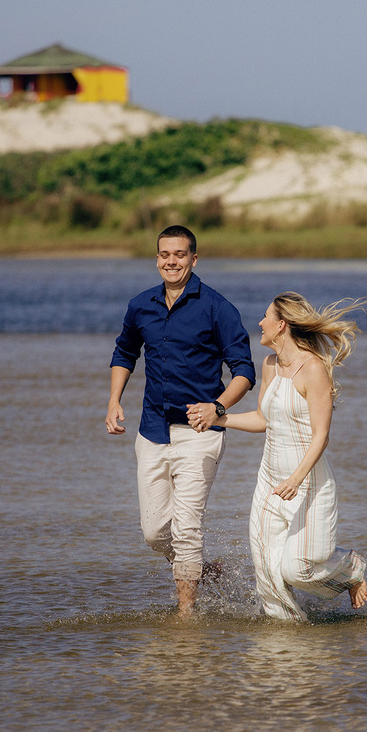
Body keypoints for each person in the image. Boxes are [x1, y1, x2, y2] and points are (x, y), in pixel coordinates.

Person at [188, 291, 367, 621]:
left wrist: (296, 479)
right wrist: (219, 417)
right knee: (269, 579)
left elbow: (321, 436)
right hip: (269, 485)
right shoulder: (270, 364)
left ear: (282, 325)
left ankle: (349, 569)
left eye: (266, 317)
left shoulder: (314, 369)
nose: (260, 323)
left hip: (309, 485)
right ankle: (285, 649)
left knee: (297, 570)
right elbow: (263, 418)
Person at [107, 225, 256, 614]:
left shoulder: (217, 307)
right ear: (157, 259)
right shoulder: (141, 305)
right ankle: (204, 570)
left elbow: (244, 370)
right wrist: (113, 401)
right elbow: (125, 353)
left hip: (200, 434)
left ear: (194, 258)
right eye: (164, 255)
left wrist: (218, 408)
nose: (171, 261)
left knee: (187, 527)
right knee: (155, 533)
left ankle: (185, 612)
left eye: (179, 254)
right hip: (152, 431)